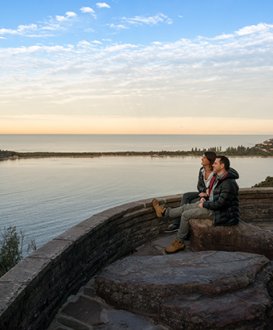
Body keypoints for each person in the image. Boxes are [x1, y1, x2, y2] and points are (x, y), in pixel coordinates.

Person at [152, 155, 240, 254]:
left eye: (215, 163)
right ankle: (164, 212)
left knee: (186, 215)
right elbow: (213, 195)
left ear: (222, 165)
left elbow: (220, 204)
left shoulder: (228, 183)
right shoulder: (218, 177)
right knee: (185, 207)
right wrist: (205, 197)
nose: (213, 165)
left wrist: (205, 204)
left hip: (220, 213)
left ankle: (179, 241)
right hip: (210, 204)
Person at [165, 151, 216, 233]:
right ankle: (176, 224)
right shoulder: (202, 170)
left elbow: (215, 189)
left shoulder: (215, 173)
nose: (201, 158)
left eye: (204, 157)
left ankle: (175, 222)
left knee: (190, 204)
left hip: (209, 195)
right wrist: (202, 192)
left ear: (209, 160)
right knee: (186, 195)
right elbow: (200, 185)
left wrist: (205, 195)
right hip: (202, 192)